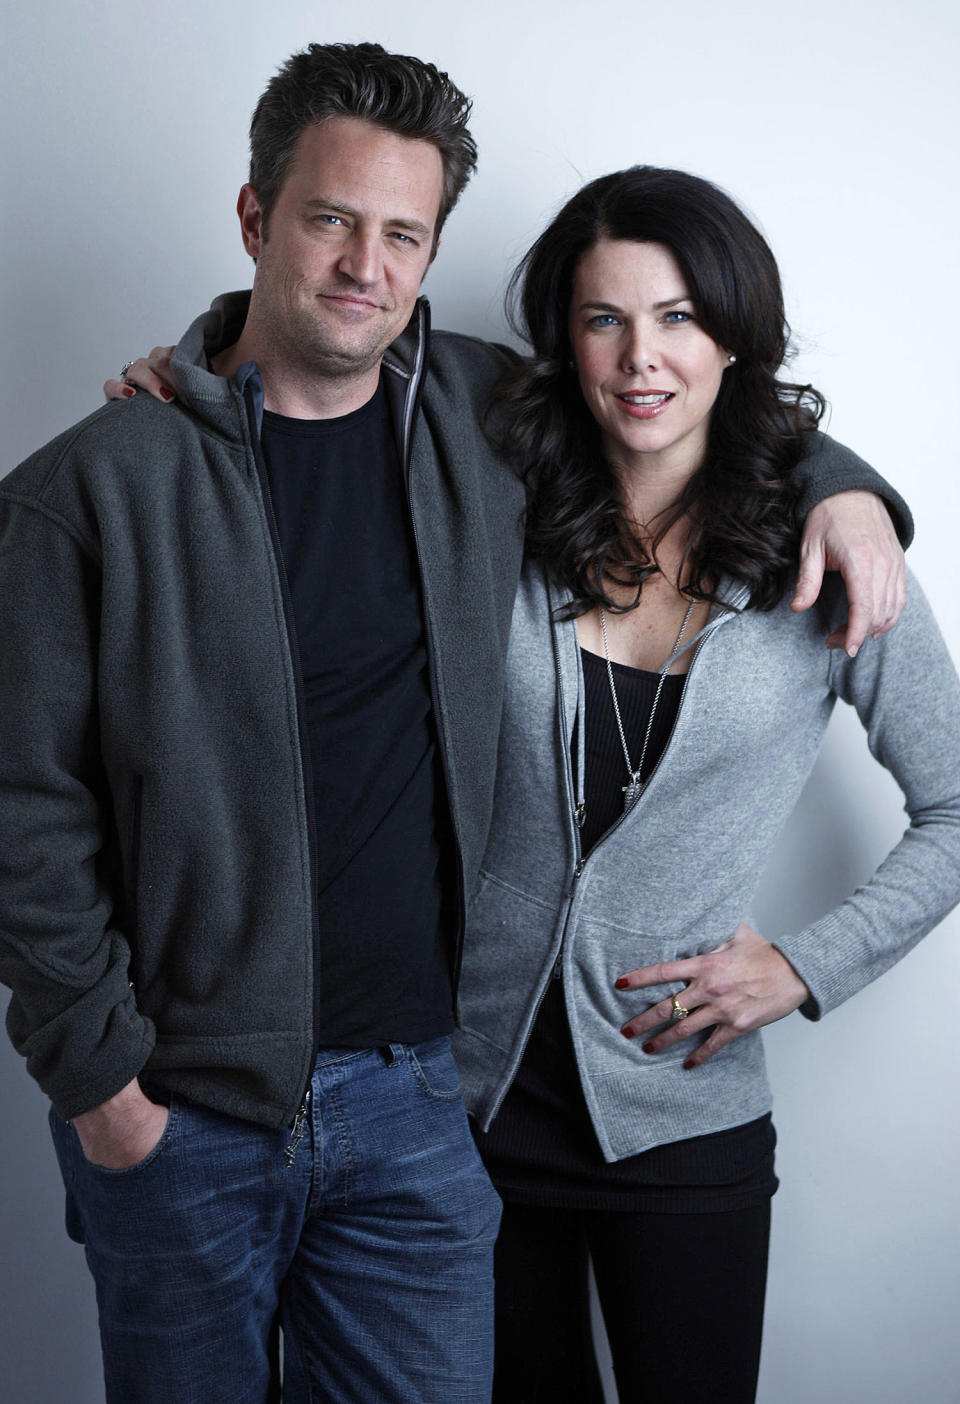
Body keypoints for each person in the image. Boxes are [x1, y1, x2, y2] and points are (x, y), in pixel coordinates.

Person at [0, 41, 909, 1404]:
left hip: (421, 1114)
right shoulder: (92, 489)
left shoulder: (485, 422)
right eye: (330, 219)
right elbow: (23, 813)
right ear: (256, 219)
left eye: (404, 233)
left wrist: (851, 491)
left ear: (432, 252)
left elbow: (690, 405)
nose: (367, 263)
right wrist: (105, 1091)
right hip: (181, 1116)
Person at [444, 165, 960, 1404]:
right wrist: (187, 362)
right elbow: (338, 318)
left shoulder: (827, 557)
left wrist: (804, 967)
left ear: (736, 337)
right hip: (468, 1106)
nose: (642, 357)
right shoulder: (488, 503)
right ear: (565, 342)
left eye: (679, 317)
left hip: (682, 1114)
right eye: (604, 318)